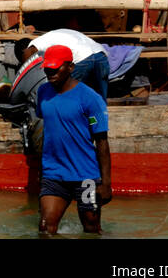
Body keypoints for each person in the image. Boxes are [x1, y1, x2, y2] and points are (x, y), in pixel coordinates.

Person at [35, 44, 112, 234]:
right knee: (45, 229)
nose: (50, 72)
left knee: (91, 228)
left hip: (85, 176)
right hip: (54, 174)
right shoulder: (42, 93)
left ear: (70, 67)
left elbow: (102, 142)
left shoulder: (90, 99)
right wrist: (41, 168)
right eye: (47, 68)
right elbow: (48, 131)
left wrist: (106, 183)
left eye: (56, 68)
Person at [24, 28, 111, 101]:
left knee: (69, 96)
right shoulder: (53, 35)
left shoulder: (34, 44)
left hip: (81, 57)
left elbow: (29, 63)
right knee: (99, 98)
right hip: (100, 54)